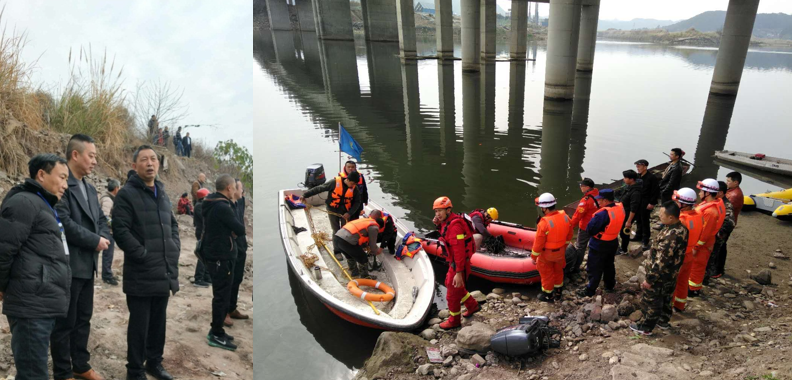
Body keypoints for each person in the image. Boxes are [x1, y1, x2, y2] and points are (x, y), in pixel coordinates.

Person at [112, 145, 180, 380]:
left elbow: (172, 224)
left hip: (164, 270)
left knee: (158, 323)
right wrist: (141, 254)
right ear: (134, 166)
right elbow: (120, 230)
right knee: (139, 326)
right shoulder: (126, 194)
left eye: (153, 159)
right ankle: (135, 370)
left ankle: (154, 363)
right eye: (144, 160)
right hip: (141, 272)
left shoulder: (161, 191)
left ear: (158, 164)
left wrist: (173, 247)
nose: (150, 163)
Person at [0, 154, 70, 380]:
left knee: (33, 371)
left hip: (40, 302)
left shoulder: (42, 205)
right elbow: (3, 249)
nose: (65, 185)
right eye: (62, 177)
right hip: (31, 306)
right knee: (33, 374)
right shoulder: (24, 202)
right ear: (41, 174)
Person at [51, 134, 111, 380]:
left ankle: (81, 364)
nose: (94, 161)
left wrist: (103, 235)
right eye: (91, 155)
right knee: (65, 322)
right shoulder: (63, 186)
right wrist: (95, 240)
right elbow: (64, 222)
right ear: (75, 155)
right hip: (68, 265)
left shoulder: (89, 188)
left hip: (88, 265)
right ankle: (63, 371)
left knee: (84, 318)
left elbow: (101, 221)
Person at [201, 174, 247, 351]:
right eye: (235, 187)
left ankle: (218, 329)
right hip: (221, 257)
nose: (236, 191)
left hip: (217, 254)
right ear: (229, 188)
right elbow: (240, 229)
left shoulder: (211, 202)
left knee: (222, 294)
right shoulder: (222, 207)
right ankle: (216, 333)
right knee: (221, 296)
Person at [630, 201, 688, 336]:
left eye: (662, 215)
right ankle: (663, 321)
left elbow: (661, 261)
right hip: (671, 274)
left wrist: (649, 279)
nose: (659, 217)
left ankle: (645, 326)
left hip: (661, 275)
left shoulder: (671, 236)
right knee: (666, 298)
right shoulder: (681, 229)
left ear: (671, 217)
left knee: (651, 300)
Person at [432, 197, 480, 329]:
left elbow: (459, 251)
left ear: (448, 210)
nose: (437, 214)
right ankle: (472, 305)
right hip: (456, 262)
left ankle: (454, 320)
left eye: (440, 211)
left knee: (452, 293)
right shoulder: (449, 221)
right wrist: (438, 224)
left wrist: (459, 272)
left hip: (459, 264)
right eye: (436, 211)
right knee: (454, 286)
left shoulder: (455, 226)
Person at [576, 189, 624, 297]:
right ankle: (609, 285)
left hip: (599, 244)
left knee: (594, 267)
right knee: (609, 264)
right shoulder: (620, 208)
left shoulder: (602, 214)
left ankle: (590, 289)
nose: (599, 202)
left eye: (600, 200)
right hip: (613, 241)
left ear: (606, 200)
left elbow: (590, 229)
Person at [531, 193, 573, 303]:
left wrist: (533, 257)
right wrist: (564, 246)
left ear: (544, 208)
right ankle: (558, 292)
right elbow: (569, 234)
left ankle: (548, 295)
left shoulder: (543, 223)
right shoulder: (565, 216)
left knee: (546, 274)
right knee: (558, 271)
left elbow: (538, 243)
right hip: (560, 252)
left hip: (547, 255)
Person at [687, 178, 725, 298]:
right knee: (694, 266)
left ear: (707, 193)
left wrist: (696, 246)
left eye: (701, 191)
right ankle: (692, 286)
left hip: (702, 245)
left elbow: (705, 232)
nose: (699, 193)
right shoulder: (710, 205)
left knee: (697, 267)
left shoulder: (710, 212)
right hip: (702, 243)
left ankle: (693, 290)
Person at [671, 188, 704, 312]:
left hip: (679, 256)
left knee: (672, 283)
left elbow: (673, 241)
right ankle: (679, 305)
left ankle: (668, 307)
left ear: (683, 204)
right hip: (689, 254)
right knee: (683, 281)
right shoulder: (699, 215)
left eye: (677, 202)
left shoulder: (681, 220)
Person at [300, 171, 362, 236]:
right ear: (348, 179)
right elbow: (319, 188)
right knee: (335, 230)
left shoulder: (355, 189)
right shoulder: (333, 183)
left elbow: (357, 202)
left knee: (345, 229)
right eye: (352, 183)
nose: (353, 185)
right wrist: (305, 195)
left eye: (355, 184)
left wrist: (349, 213)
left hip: (345, 211)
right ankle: (336, 244)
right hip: (332, 209)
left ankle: (343, 244)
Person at [709, 172, 743, 278]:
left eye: (729, 181)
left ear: (736, 182)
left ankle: (718, 270)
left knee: (720, 247)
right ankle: (717, 269)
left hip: (724, 226)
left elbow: (726, 213)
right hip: (724, 224)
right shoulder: (731, 191)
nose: (727, 183)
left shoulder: (734, 195)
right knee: (720, 247)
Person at [333, 210, 384, 280]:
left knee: (350, 256)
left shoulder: (365, 221)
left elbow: (359, 234)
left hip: (337, 238)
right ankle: (365, 276)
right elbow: (373, 245)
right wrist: (376, 251)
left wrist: (365, 246)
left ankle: (354, 272)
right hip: (346, 241)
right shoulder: (375, 227)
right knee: (363, 258)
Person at [227, 179, 250, 325]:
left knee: (238, 279)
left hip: (241, 245)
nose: (242, 191)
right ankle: (224, 312)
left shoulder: (239, 203)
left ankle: (232, 308)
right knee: (229, 280)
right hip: (232, 246)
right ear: (234, 189)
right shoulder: (227, 206)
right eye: (240, 188)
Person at [566, 178, 599, 276]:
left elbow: (577, 216)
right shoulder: (598, 195)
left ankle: (576, 267)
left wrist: (570, 226)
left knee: (580, 247)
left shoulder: (585, 201)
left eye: (582, 186)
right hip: (596, 225)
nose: (580, 187)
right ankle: (593, 266)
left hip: (585, 227)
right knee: (594, 246)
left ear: (587, 187)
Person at [704, 181, 735, 285]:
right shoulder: (715, 202)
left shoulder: (726, 205)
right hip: (710, 235)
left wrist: (717, 233)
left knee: (712, 257)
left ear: (721, 193)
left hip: (717, 237)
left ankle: (708, 277)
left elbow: (730, 223)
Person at [634, 159, 660, 249]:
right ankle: (638, 235)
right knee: (638, 219)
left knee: (645, 220)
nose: (638, 168)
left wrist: (652, 203)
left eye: (639, 166)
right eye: (637, 166)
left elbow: (655, 191)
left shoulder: (651, 178)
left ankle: (645, 240)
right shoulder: (638, 176)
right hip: (638, 201)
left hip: (646, 201)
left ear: (645, 167)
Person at [100, 179, 121, 286]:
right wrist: (115, 225)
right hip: (107, 231)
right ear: (116, 188)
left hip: (108, 230)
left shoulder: (109, 198)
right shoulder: (108, 201)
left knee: (109, 254)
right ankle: (107, 276)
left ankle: (107, 273)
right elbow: (105, 217)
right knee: (108, 254)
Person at [617, 170, 642, 255]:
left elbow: (633, 208)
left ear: (631, 179)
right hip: (623, 212)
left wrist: (629, 221)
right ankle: (622, 247)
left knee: (624, 232)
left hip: (628, 214)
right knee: (621, 231)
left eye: (625, 178)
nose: (624, 179)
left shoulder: (636, 192)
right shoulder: (629, 187)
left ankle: (624, 250)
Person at [193, 188, 212, 288]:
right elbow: (205, 219)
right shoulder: (200, 206)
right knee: (202, 256)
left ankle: (206, 277)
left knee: (207, 255)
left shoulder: (200, 205)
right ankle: (199, 278)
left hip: (204, 232)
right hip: (202, 233)